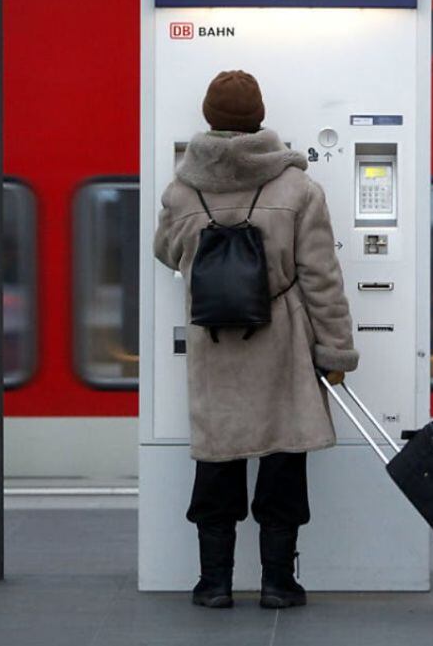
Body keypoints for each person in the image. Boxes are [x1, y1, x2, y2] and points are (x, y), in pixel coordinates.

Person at [153, 70, 359, 609]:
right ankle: (278, 584)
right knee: (283, 459)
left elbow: (166, 251)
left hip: (214, 343)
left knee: (217, 460)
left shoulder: (182, 190)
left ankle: (214, 584)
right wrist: (335, 351)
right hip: (281, 341)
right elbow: (322, 280)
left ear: (209, 119)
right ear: (259, 119)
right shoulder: (298, 189)